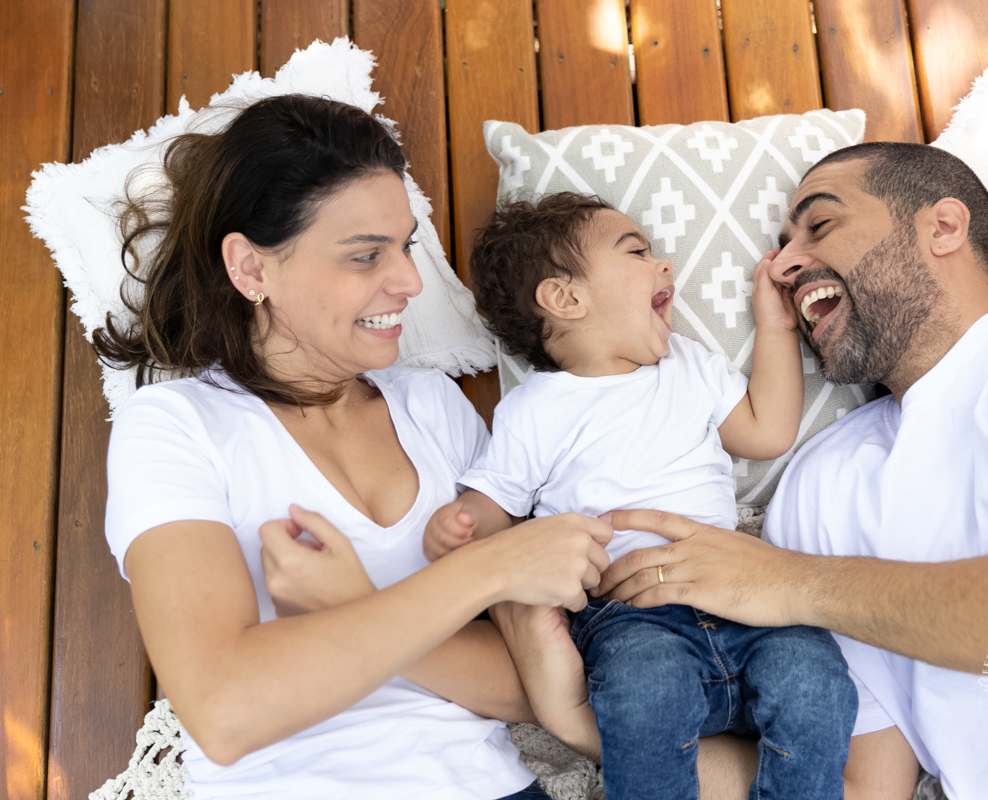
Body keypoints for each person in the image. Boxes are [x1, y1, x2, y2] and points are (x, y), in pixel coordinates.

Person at [596, 141, 988, 798]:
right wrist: (601, 726)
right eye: (783, 245)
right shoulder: (820, 484)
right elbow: (855, 788)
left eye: (820, 225)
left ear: (943, 226)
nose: (782, 266)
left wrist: (794, 583)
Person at [94, 94, 616, 800]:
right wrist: (487, 568)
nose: (409, 282)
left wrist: (354, 601)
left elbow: (533, 686)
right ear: (251, 269)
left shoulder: (433, 408)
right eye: (366, 255)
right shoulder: (175, 426)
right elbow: (225, 708)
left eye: (406, 246)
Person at [422, 193, 857, 800]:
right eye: (637, 253)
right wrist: (462, 525)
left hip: (739, 596)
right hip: (631, 616)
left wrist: (776, 326)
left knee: (818, 680)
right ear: (564, 298)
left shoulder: (688, 365)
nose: (664, 265)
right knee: (644, 695)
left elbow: (767, 431)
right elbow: (496, 505)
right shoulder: (536, 409)